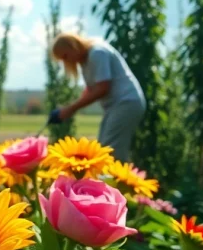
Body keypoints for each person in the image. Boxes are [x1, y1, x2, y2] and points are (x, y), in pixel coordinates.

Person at [47, 32, 145, 162]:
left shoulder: (97, 53)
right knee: (103, 148)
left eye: (65, 56)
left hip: (126, 103)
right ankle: (110, 180)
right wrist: (68, 108)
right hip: (117, 105)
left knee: (110, 152)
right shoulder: (86, 59)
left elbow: (102, 88)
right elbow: (91, 89)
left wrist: (71, 109)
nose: (66, 62)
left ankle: (114, 181)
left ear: (73, 46)